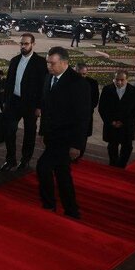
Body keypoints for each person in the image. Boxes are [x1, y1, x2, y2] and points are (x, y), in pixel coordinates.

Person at [37, 46, 90, 219]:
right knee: (62, 174)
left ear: (64, 62)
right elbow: (46, 108)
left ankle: (49, 204)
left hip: (67, 138)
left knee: (43, 167)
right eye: (47, 63)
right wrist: (43, 132)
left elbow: (83, 117)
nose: (49, 67)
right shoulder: (48, 78)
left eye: (52, 64)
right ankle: (72, 210)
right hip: (52, 136)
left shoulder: (78, 83)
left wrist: (77, 145)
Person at [0, 33, 47, 171]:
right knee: (9, 131)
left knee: (29, 133)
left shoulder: (40, 63)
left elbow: (43, 87)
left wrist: (39, 107)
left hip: (31, 104)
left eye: (26, 44)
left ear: (33, 44)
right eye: (21, 43)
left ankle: (25, 160)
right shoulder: (14, 60)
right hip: (14, 101)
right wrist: (5, 101)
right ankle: (10, 160)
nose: (23, 46)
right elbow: (9, 82)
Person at [98, 70, 135, 168]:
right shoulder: (107, 89)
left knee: (127, 147)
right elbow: (102, 108)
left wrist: (124, 122)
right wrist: (111, 121)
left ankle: (122, 165)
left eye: (122, 80)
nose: (119, 82)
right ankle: (113, 164)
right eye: (116, 80)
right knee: (112, 146)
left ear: (127, 80)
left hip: (127, 126)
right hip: (111, 125)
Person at [74, 62, 100, 158]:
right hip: (71, 115)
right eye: (79, 74)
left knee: (83, 136)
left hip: (86, 115)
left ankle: (79, 156)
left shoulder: (92, 83)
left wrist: (84, 110)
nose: (82, 76)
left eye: (84, 74)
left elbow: (95, 100)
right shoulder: (69, 81)